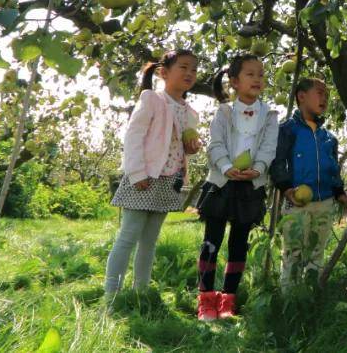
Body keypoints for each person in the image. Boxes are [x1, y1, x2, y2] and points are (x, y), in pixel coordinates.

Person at [104, 49, 202, 299]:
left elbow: (176, 147)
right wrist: (137, 173)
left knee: (149, 241)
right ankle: (111, 295)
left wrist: (191, 148)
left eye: (193, 69)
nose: (190, 73)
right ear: (163, 73)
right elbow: (134, 136)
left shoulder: (190, 112)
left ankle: (141, 291)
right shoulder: (152, 99)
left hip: (168, 181)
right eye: (184, 67)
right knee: (128, 237)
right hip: (144, 178)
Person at [195, 54, 278, 321]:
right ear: (234, 81)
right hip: (222, 182)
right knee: (211, 241)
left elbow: (269, 146)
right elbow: (215, 144)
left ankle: (228, 299)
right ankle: (205, 298)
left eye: (261, 74)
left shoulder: (270, 115)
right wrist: (225, 165)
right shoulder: (224, 112)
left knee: (239, 243)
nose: (257, 79)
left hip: (250, 184)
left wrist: (261, 167)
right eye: (250, 74)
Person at [270, 77, 347, 289]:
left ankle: (310, 293)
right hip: (297, 202)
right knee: (293, 250)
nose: (324, 98)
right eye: (320, 92)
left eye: (326, 94)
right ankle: (289, 296)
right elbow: (277, 162)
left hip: (324, 201)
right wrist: (286, 188)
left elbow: (333, 169)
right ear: (301, 96)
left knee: (317, 250)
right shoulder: (287, 130)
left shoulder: (329, 137)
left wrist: (339, 192)